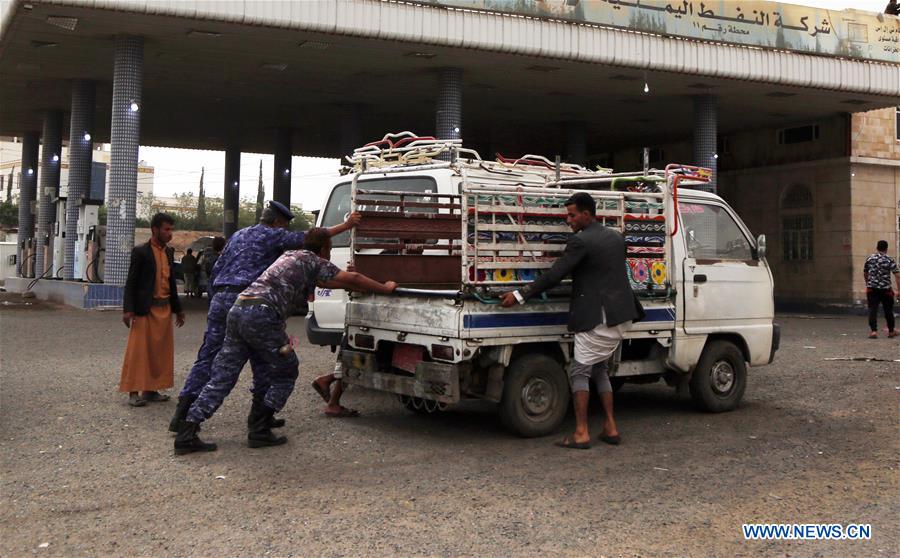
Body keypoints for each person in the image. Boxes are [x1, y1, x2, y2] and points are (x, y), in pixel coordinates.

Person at [174, 228, 397, 454]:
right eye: (329, 250)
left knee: (223, 376)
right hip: (262, 315)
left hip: (239, 309)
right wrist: (385, 288)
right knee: (287, 370)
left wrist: (353, 283)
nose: (329, 254)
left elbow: (327, 283)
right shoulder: (312, 259)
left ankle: (187, 431)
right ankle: (259, 428)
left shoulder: (290, 256)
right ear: (323, 249)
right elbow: (354, 277)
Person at [168, 201, 360, 433]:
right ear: (277, 222)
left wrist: (215, 299)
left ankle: (183, 414)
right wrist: (348, 224)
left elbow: (218, 269)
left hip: (221, 299)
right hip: (250, 302)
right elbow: (314, 237)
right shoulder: (273, 235)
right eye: (284, 226)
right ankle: (259, 418)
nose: (285, 231)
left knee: (208, 358)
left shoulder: (238, 236)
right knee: (267, 360)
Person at [500, 192, 643, 450]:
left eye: (572, 215)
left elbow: (555, 274)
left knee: (579, 371)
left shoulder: (581, 242)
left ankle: (581, 433)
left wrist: (520, 294)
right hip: (620, 315)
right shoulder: (616, 237)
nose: (568, 220)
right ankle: (610, 427)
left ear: (587, 214)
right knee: (600, 369)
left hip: (596, 316)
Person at [120, 213, 186, 407]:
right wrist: (128, 309)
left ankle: (151, 390)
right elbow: (131, 282)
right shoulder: (141, 252)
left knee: (159, 353)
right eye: (166, 229)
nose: (170, 233)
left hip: (164, 310)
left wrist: (178, 309)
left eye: (171, 229)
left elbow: (171, 283)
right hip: (145, 310)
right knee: (138, 352)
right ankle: (133, 391)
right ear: (154, 229)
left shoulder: (168, 252)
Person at [863, 239, 899, 339]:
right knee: (888, 310)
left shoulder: (870, 259)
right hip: (886, 289)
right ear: (886, 249)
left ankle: (873, 331)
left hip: (872, 289)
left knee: (872, 309)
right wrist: (899, 290)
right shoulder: (889, 260)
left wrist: (868, 283)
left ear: (877, 248)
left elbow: (866, 273)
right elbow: (897, 275)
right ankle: (891, 331)